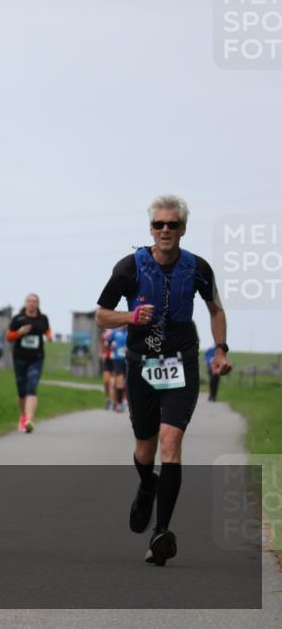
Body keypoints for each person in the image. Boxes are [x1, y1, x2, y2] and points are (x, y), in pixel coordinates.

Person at [95, 195, 232, 566]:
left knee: (171, 444)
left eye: (173, 224)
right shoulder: (129, 267)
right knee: (145, 448)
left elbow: (216, 309)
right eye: (159, 224)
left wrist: (221, 350)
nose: (166, 230)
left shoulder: (197, 267)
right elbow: (102, 316)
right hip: (141, 365)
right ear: (151, 229)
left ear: (183, 228)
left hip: (181, 364)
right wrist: (130, 317)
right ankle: (147, 484)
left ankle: (161, 533)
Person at [6, 294, 52, 433]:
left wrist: (49, 335)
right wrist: (20, 332)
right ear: (26, 303)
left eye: (34, 301)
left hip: (36, 358)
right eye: (29, 301)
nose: (32, 304)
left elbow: (46, 329)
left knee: (31, 386)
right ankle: (23, 416)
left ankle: (29, 420)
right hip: (20, 358)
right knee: (21, 390)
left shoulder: (42, 318)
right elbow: (9, 337)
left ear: (38, 304)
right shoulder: (18, 319)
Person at [109, 326, 129, 412]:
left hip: (129, 360)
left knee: (127, 382)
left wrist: (129, 347)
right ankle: (118, 403)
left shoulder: (130, 331)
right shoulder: (115, 331)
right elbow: (108, 342)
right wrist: (111, 346)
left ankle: (125, 401)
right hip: (118, 360)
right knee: (120, 382)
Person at [100, 328, 115, 409]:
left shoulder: (117, 331)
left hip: (116, 359)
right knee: (106, 381)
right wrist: (100, 353)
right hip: (107, 359)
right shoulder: (105, 332)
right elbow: (101, 344)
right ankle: (108, 398)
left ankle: (114, 401)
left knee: (113, 383)